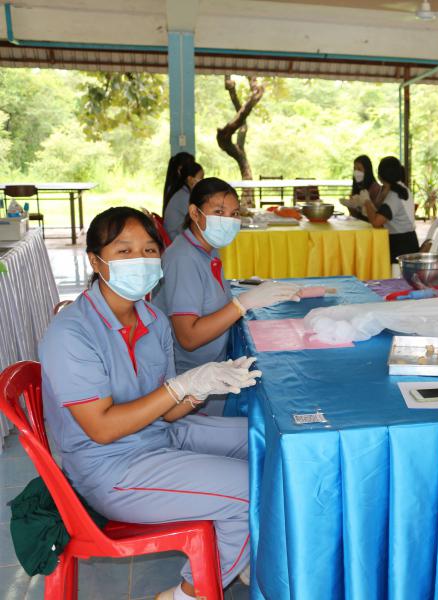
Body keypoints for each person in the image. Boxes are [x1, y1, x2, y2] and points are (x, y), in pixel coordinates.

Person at [38, 206, 263, 599]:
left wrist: (200, 388)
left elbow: (167, 411)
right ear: (96, 261)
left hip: (158, 436)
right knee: (250, 489)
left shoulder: (153, 319)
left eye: (149, 250)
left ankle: (237, 548)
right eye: (124, 251)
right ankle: (187, 592)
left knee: (267, 441)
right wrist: (180, 387)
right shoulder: (71, 333)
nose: (140, 260)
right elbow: (101, 429)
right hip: (109, 468)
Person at [154, 178, 303, 414]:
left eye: (234, 213)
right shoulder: (184, 259)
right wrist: (242, 304)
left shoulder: (207, 249)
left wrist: (254, 297)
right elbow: (188, 338)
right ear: (194, 213)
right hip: (190, 386)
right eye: (218, 212)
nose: (228, 220)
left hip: (213, 368)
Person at [362, 156, 419, 262]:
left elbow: (376, 222)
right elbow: (379, 211)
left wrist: (366, 200)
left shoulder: (394, 195)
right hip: (407, 242)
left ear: (381, 175)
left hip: (402, 248)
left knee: (369, 256)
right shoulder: (401, 188)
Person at [163, 162, 205, 243]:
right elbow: (199, 218)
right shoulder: (183, 196)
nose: (202, 182)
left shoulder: (182, 192)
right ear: (190, 179)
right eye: (201, 178)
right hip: (175, 238)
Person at [343, 155, 383, 219]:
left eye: (359, 169)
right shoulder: (357, 187)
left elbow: (377, 213)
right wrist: (350, 205)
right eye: (354, 169)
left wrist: (366, 203)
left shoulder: (375, 188)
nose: (356, 172)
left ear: (367, 170)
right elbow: (354, 215)